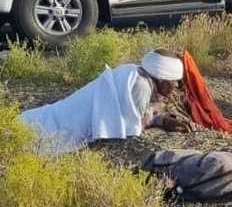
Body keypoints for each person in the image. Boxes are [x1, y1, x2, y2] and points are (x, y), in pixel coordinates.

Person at [20, 49, 191, 154]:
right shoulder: (142, 86)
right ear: (162, 79)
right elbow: (132, 126)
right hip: (58, 126)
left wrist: (161, 119)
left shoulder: (134, 71)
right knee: (41, 133)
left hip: (52, 114)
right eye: (174, 81)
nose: (176, 86)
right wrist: (159, 121)